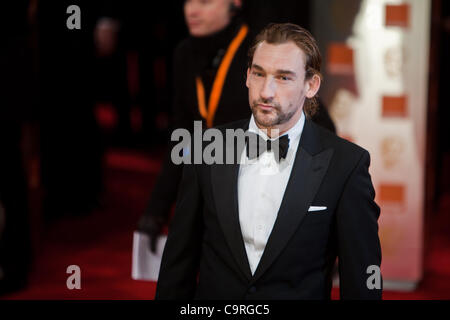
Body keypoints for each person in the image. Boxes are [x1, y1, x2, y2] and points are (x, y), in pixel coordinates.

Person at [155, 23, 382, 300]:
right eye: (259, 74)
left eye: (284, 78)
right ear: (247, 76)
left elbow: (361, 279)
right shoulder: (206, 148)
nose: (266, 92)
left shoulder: (346, 165)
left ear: (311, 85)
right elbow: (178, 262)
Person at [138, 0, 335, 252]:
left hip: (271, 190)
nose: (192, 10)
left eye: (205, 2)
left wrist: (310, 205)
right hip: (220, 191)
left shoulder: (263, 51)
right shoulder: (184, 53)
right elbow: (184, 139)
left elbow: (321, 126)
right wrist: (157, 208)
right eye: (188, 1)